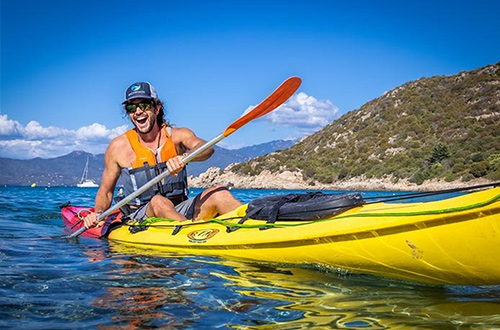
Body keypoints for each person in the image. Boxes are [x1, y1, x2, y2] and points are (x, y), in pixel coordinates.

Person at [84, 81, 241, 229]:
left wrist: (185, 157)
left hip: (180, 210)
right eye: (131, 108)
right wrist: (98, 214)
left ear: (157, 108)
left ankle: (255, 226)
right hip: (141, 217)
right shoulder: (118, 147)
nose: (138, 112)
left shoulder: (178, 135)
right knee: (158, 201)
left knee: (219, 192)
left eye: (144, 105)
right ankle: (191, 234)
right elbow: (106, 191)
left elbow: (206, 149)